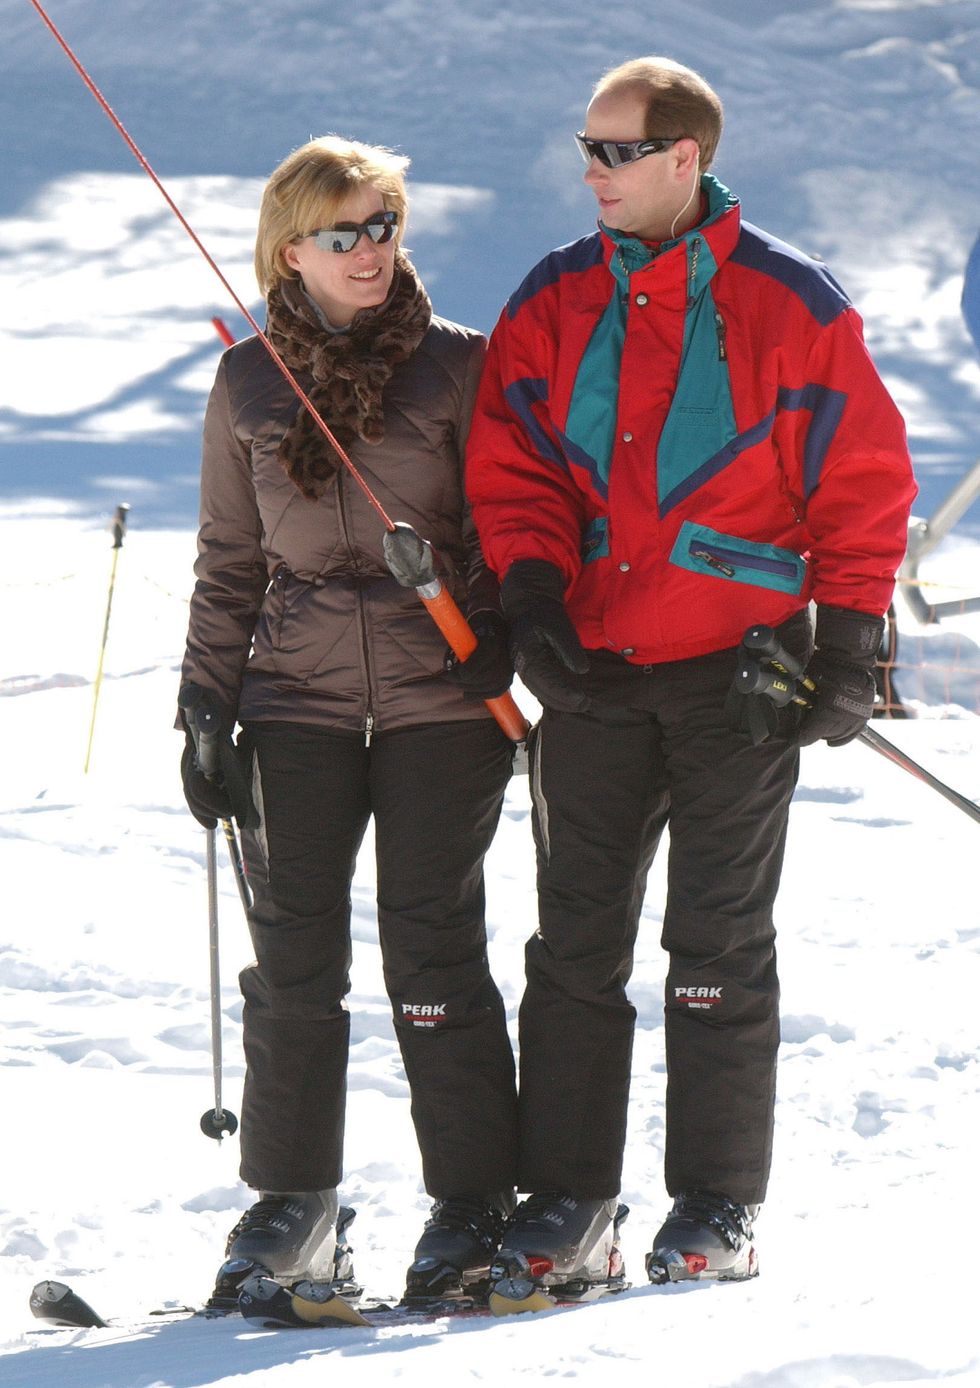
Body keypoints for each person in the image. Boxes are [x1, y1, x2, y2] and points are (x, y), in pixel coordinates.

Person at [465, 57, 917, 1291]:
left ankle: (716, 1203)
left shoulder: (791, 302)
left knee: (716, 944)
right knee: (573, 947)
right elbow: (511, 462)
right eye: (586, 147)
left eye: (614, 151)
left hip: (738, 677)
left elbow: (861, 480)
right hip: (593, 672)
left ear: (684, 159)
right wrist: (529, 586)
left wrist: (847, 637)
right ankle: (567, 1193)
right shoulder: (553, 296)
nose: (590, 171)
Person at [178, 135, 519, 1303]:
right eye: (344, 232)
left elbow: (512, 526)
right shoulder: (247, 382)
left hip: (441, 702)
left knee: (433, 947)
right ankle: (293, 1203)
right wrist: (203, 703)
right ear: (290, 248)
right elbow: (230, 561)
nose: (371, 249)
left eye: (383, 225)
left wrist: (507, 626)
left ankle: (473, 1200)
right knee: (291, 964)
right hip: (295, 704)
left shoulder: (460, 365)